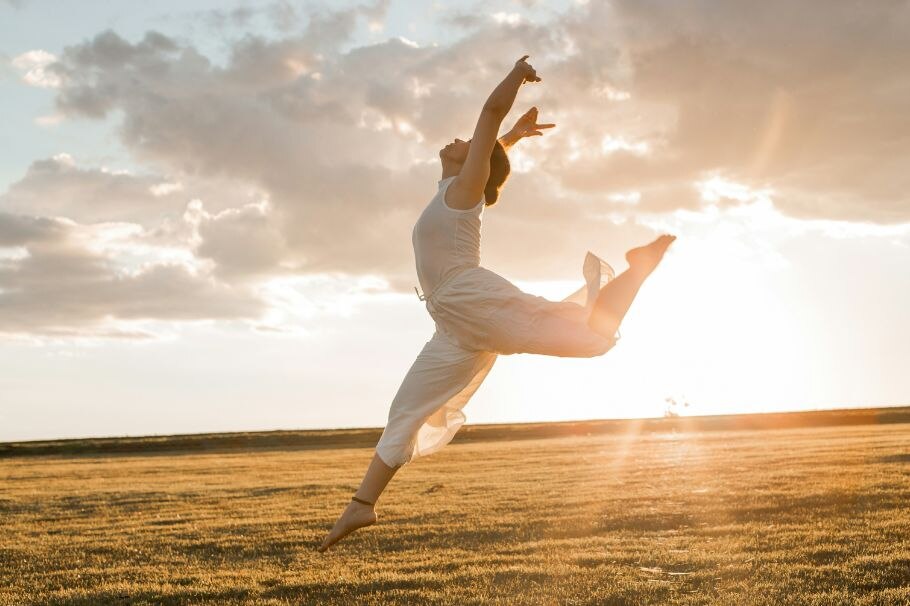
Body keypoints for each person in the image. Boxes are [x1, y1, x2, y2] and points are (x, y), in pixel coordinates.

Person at [318, 55, 675, 552]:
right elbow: (489, 148)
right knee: (406, 411)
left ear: (475, 165)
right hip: (453, 324)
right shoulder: (454, 186)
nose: (457, 142)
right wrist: (515, 139)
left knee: (590, 337)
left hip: (473, 301)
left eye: (468, 146)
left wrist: (514, 77)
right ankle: (362, 507)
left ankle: (638, 267)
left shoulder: (464, 193)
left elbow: (487, 119)